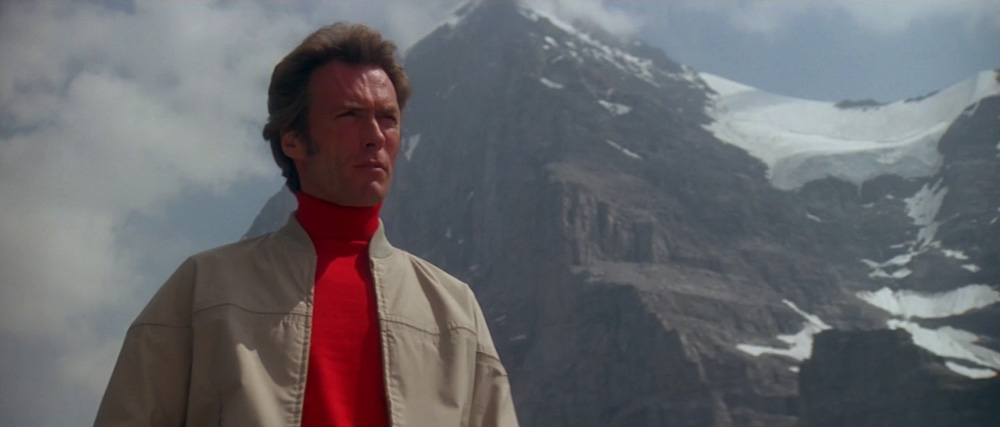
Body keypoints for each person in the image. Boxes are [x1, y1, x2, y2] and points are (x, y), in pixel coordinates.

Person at [95, 23, 518, 427]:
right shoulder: (203, 289)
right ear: (292, 139)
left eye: (388, 118)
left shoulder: (455, 311)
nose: (375, 136)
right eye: (350, 115)